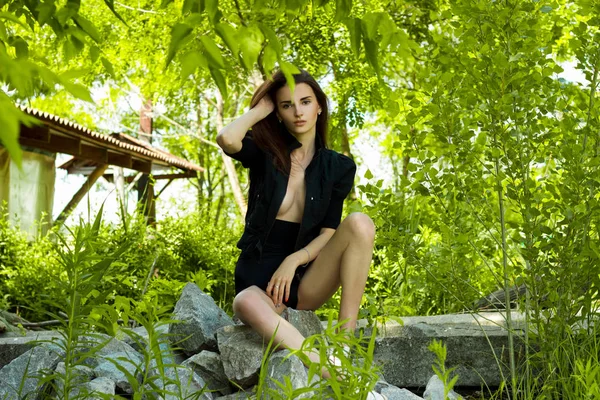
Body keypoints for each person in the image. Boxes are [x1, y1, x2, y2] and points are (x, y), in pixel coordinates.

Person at [216, 69, 380, 394]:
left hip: (304, 278)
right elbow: (227, 139)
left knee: (360, 222)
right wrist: (261, 108)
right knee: (244, 301)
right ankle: (326, 366)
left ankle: (343, 350)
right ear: (278, 111)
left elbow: (330, 231)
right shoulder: (264, 154)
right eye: (287, 105)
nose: (298, 112)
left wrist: (295, 259)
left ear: (319, 106)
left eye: (306, 102)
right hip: (262, 282)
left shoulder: (338, 167)